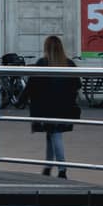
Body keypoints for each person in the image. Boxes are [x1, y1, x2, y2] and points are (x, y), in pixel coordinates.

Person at [27, 35, 80, 179]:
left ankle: (62, 169)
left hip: (47, 107)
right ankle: (48, 166)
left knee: (54, 134)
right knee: (52, 135)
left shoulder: (42, 63)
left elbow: (32, 85)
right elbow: (77, 84)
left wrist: (22, 100)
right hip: (66, 107)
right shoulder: (69, 64)